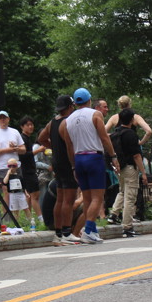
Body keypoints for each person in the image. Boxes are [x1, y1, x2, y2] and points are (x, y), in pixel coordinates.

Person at [60, 87, 118, 244]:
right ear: (89, 100)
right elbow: (104, 138)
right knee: (98, 197)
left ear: (75, 103)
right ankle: (88, 229)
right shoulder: (95, 114)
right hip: (94, 157)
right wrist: (113, 156)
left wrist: (73, 166)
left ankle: (92, 231)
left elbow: (69, 146)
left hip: (78, 159)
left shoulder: (67, 121)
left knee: (86, 198)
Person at [38, 94, 81, 245]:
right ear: (70, 107)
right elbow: (70, 146)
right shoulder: (68, 122)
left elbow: (41, 138)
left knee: (60, 198)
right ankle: (67, 233)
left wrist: (54, 147)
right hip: (67, 162)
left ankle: (58, 233)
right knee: (69, 199)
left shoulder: (52, 122)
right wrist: (74, 165)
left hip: (56, 162)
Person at [114, 108, 147, 238]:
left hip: (120, 168)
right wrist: (143, 173)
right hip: (130, 168)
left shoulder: (116, 133)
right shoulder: (131, 134)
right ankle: (127, 227)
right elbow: (136, 155)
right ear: (132, 119)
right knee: (130, 197)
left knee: (122, 192)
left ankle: (114, 214)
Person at [0, 110, 24, 205]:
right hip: (1, 166)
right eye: (0, 118)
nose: (2, 120)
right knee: (6, 191)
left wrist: (15, 148)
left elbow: (23, 149)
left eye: (4, 117)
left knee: (18, 191)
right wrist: (8, 150)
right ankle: (7, 214)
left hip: (16, 166)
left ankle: (16, 212)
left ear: (8, 119)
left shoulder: (15, 131)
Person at [17, 116, 44, 220]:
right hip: (26, 170)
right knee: (35, 195)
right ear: (22, 127)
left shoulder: (26, 138)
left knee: (29, 196)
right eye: (27, 125)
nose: (30, 127)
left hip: (28, 170)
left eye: (31, 124)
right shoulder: (22, 139)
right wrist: (38, 150)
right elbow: (23, 155)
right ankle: (41, 218)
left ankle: (28, 219)